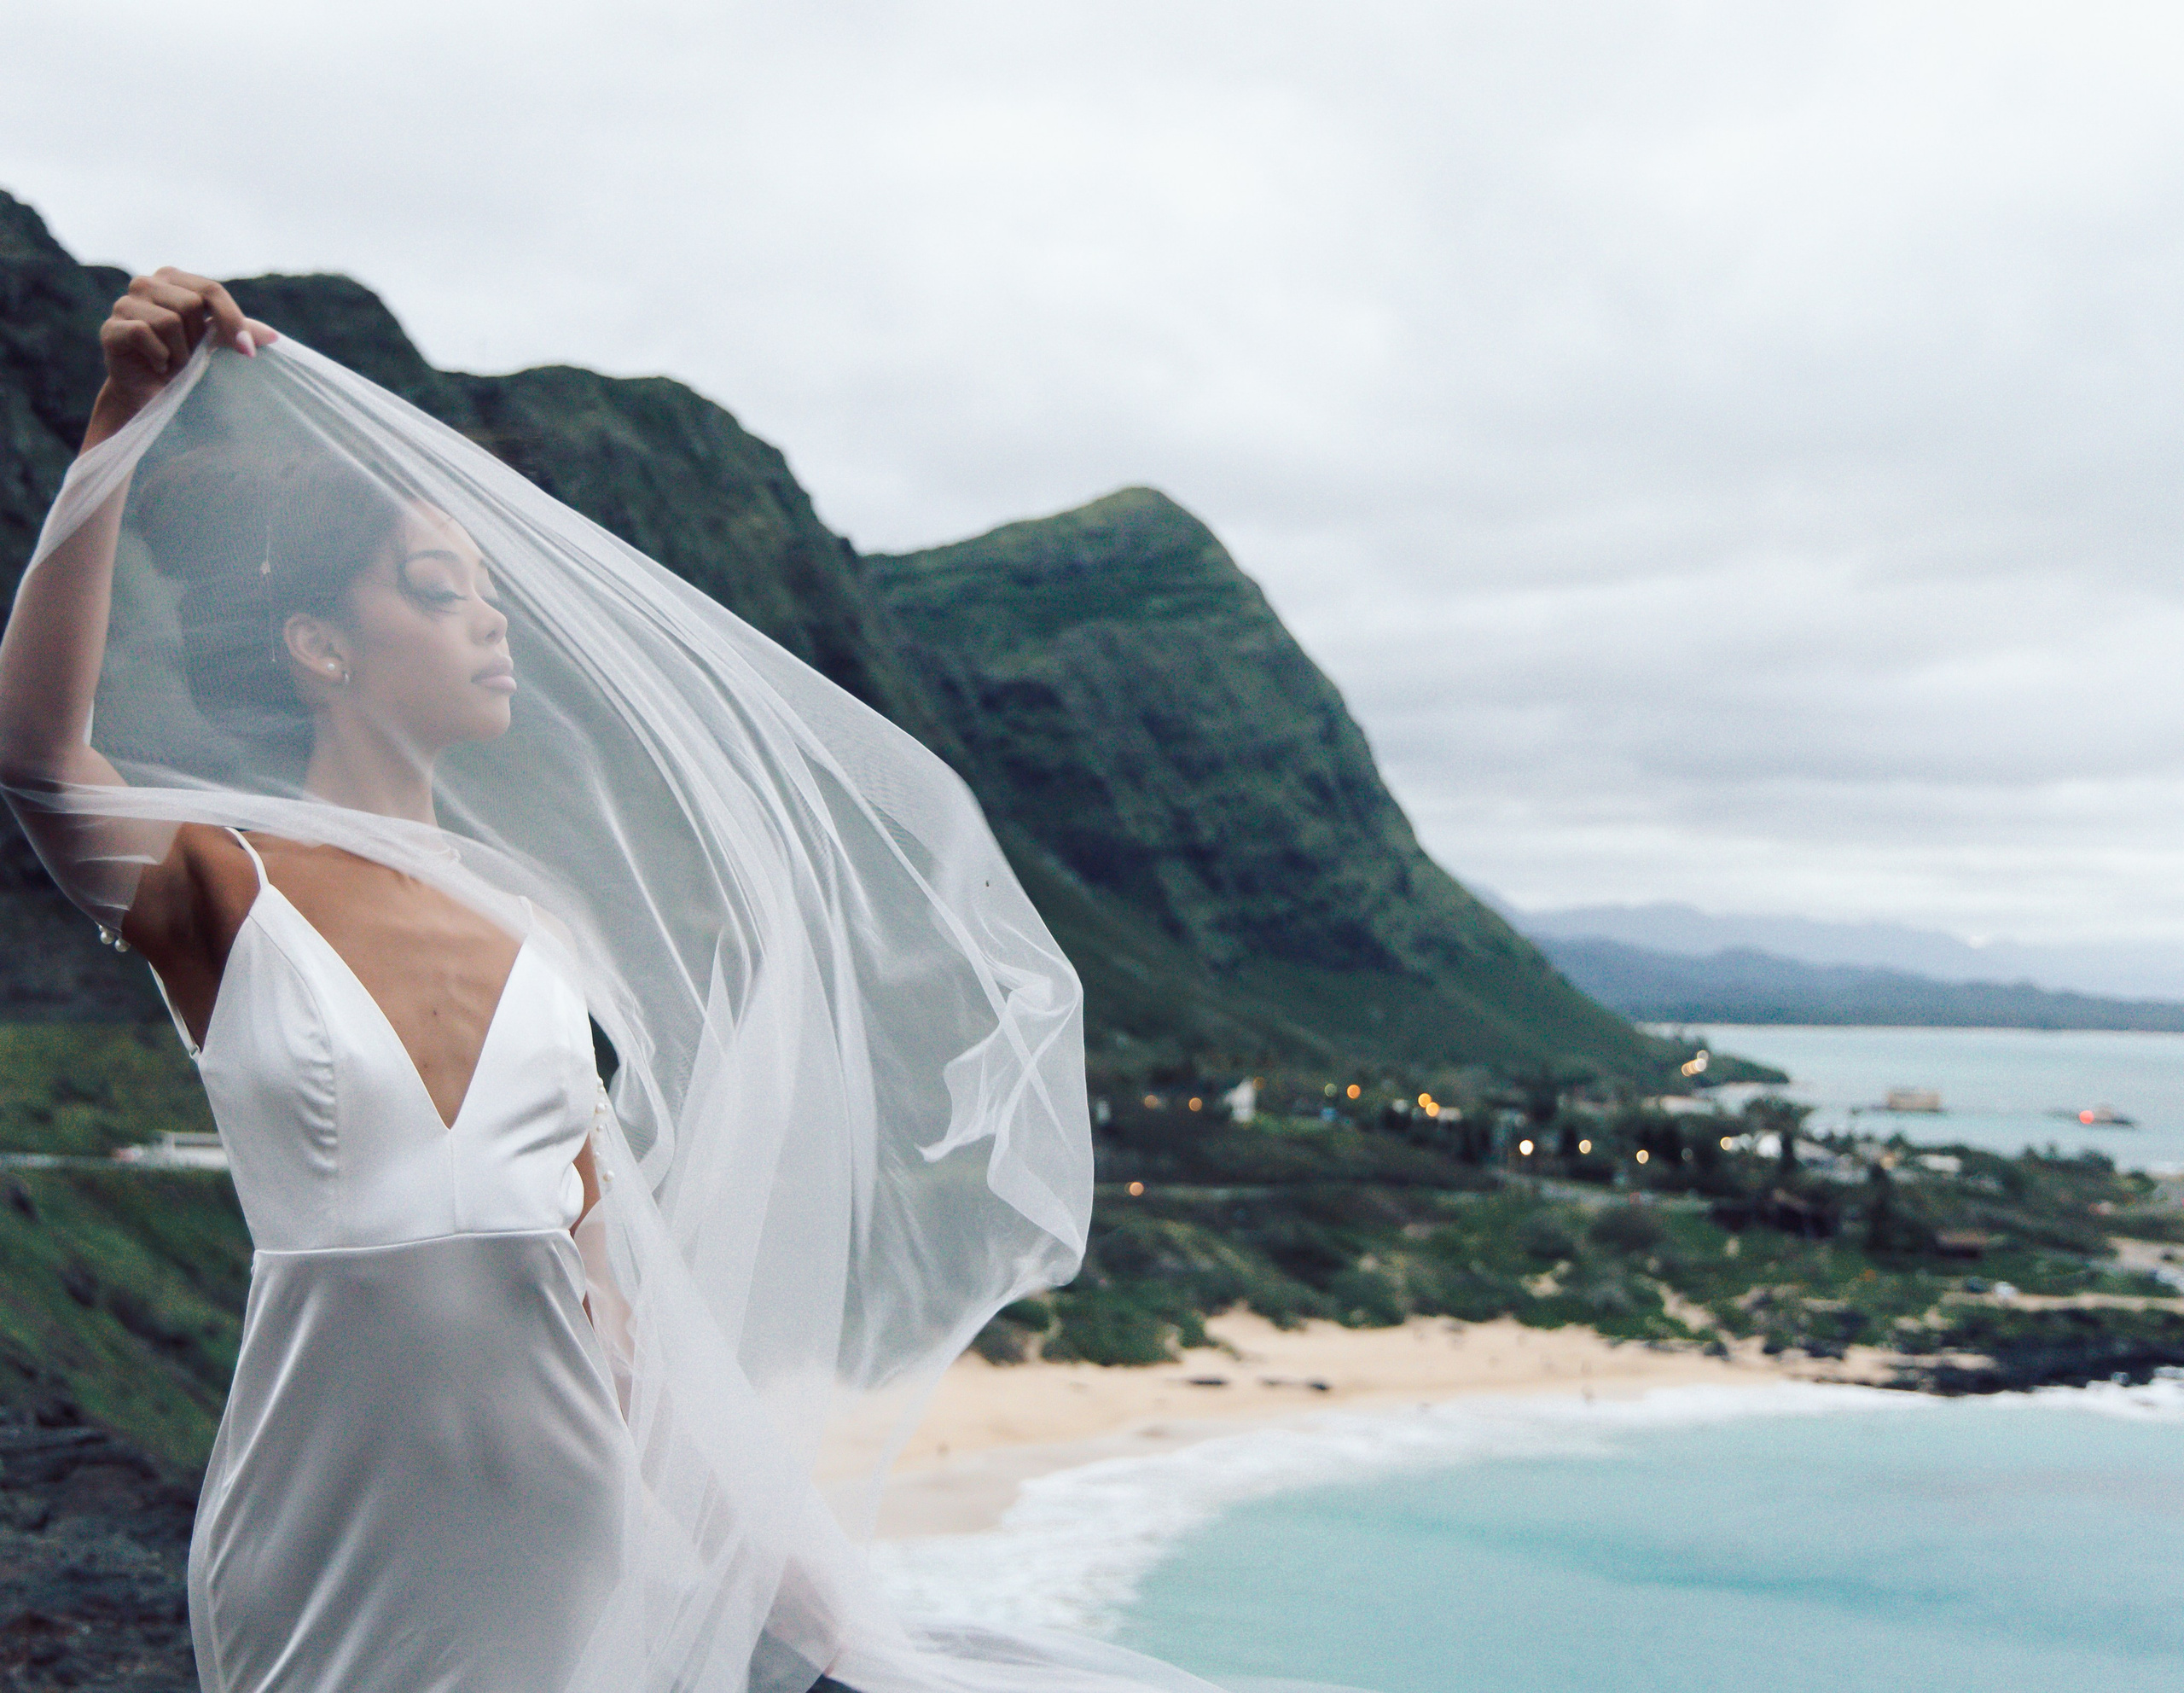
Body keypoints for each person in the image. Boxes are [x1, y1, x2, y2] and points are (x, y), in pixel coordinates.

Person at [0, 271, 1220, 1693]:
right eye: (436, 591)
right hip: (318, 1543)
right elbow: (34, 759)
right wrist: (120, 423)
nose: (488, 622)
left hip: (559, 1552)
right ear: (321, 649)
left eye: (487, 595)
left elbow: (621, 1329)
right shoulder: (228, 881)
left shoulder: (533, 937)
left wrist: (840, 1630)